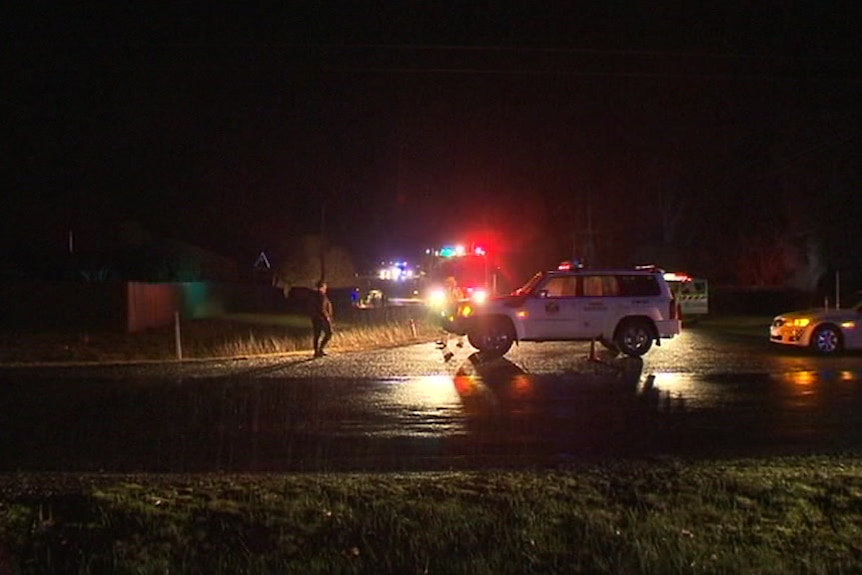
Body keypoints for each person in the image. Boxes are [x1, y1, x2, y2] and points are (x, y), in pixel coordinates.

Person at [310, 280, 333, 358]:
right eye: (325, 287)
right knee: (328, 333)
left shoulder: (318, 295)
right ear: (322, 287)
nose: (326, 288)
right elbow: (322, 308)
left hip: (316, 317)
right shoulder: (320, 296)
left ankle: (318, 351)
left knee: (317, 335)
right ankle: (319, 350)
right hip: (321, 318)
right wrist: (326, 317)